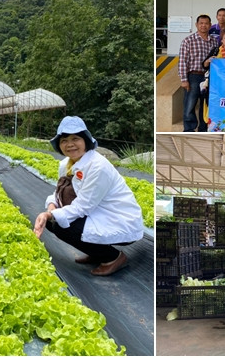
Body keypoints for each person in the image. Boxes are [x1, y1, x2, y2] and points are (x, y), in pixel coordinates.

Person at [35, 116, 144, 277]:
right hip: (96, 213)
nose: (70, 144)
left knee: (61, 226)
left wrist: (50, 214)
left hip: (117, 218)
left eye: (75, 138)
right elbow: (58, 192)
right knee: (52, 222)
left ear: (86, 140)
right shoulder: (66, 164)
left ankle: (113, 258)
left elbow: (83, 206)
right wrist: (51, 209)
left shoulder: (98, 166)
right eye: (64, 140)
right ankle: (97, 252)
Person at [178, 15, 215, 132]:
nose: (203, 25)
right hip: (193, 75)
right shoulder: (188, 40)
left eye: (206, 23)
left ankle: (203, 128)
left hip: (209, 77)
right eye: (201, 23)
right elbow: (183, 61)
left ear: (210, 25)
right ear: (196, 25)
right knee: (190, 103)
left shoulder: (214, 41)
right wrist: (184, 79)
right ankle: (189, 128)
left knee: (206, 103)